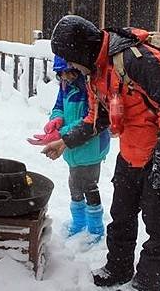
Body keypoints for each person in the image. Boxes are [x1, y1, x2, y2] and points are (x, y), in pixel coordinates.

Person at [42, 15, 160, 291]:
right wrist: (64, 142)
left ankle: (149, 282)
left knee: (157, 220)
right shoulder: (96, 71)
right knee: (122, 213)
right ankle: (119, 266)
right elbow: (96, 117)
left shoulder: (138, 60)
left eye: (70, 60)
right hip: (131, 150)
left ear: (80, 52)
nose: (70, 68)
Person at [28, 55, 110, 242]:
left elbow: (87, 123)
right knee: (74, 183)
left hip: (91, 147)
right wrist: (55, 119)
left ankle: (96, 228)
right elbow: (59, 107)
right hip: (72, 147)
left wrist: (59, 135)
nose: (65, 78)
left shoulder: (89, 88)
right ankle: (79, 221)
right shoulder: (65, 86)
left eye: (69, 73)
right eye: (61, 74)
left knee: (89, 186)